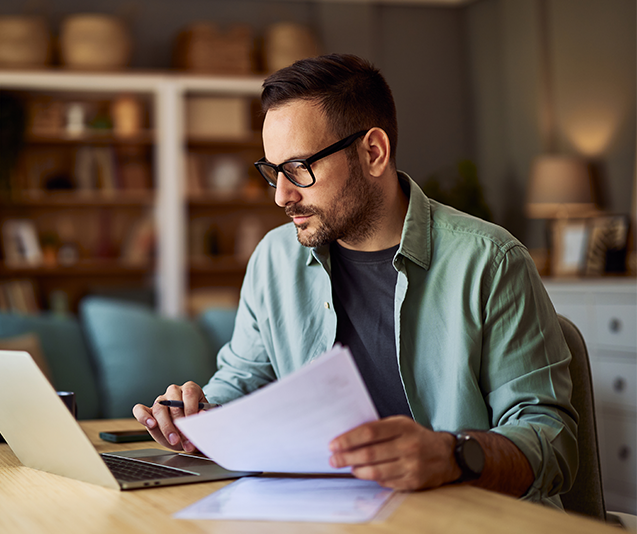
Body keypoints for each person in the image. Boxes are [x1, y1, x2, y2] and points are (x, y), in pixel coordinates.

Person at [133, 54, 578, 508]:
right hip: (328, 512)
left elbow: (553, 443)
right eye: (272, 171)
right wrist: (198, 415)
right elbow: (243, 379)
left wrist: (453, 455)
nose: (282, 195)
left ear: (373, 152)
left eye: (299, 168)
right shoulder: (274, 258)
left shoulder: (491, 261)